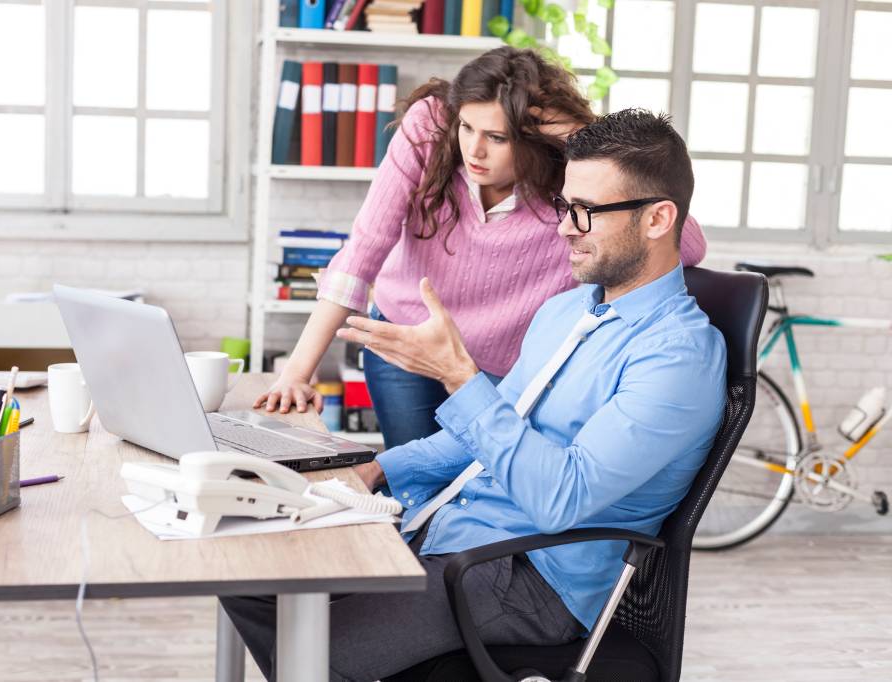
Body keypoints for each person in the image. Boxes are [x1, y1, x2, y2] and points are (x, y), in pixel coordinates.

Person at [223, 109, 727, 682]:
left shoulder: (678, 357)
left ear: (659, 218)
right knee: (244, 569)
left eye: (585, 213)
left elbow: (563, 499)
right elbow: (485, 435)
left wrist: (461, 379)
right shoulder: (567, 310)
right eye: (565, 208)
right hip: (452, 531)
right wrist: (375, 470)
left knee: (313, 651)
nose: (564, 228)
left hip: (530, 574)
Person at [254, 46, 709, 450]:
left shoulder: (568, 178)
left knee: (477, 488)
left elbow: (686, 244)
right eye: (467, 127)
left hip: (500, 369)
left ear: (534, 136)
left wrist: (579, 133)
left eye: (497, 137)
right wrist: (297, 371)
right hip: (408, 345)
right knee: (412, 485)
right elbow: (363, 251)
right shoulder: (430, 128)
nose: (474, 150)